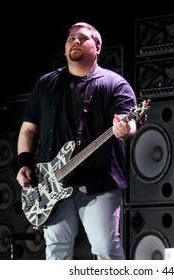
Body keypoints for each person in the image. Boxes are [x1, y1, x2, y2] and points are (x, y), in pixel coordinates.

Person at [15, 22, 138, 260]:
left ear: (98, 48)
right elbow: (29, 129)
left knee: (105, 249)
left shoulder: (114, 84)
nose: (75, 41)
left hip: (99, 182)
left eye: (83, 38)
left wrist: (125, 128)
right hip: (51, 182)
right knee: (56, 253)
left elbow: (128, 122)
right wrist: (23, 162)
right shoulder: (45, 84)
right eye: (71, 38)